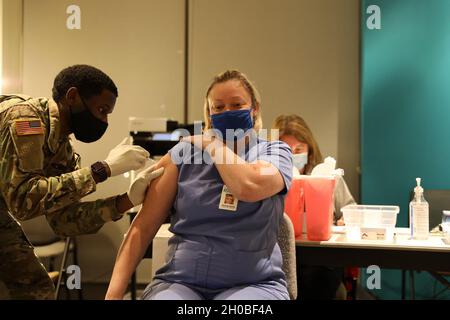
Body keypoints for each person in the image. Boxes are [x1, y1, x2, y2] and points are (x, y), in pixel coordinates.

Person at [106, 70, 293, 300]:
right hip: (180, 282)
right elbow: (142, 228)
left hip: (253, 284)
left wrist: (214, 146)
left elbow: (248, 187)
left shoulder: (274, 152)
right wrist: (113, 295)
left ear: (254, 110)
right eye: (218, 107)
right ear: (209, 114)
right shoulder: (184, 154)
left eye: (236, 104)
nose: (227, 112)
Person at [0, 64, 163, 300]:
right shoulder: (26, 120)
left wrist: (126, 201)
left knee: (34, 287)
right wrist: (102, 170)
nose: (104, 121)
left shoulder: (63, 151)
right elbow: (23, 200)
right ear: (73, 97)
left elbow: (64, 221)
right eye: (101, 109)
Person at [272, 114, 356, 299]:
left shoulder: (328, 177)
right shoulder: (267, 179)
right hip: (281, 260)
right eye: (286, 149)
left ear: (309, 149)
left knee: (317, 279)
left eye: (299, 149)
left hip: (323, 263)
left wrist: (345, 220)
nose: (293, 155)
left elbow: (351, 210)